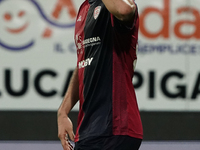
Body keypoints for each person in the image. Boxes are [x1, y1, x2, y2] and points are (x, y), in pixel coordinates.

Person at [57, 0, 143, 149]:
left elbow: (124, 10)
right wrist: (63, 111)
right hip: (89, 129)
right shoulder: (85, 8)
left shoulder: (114, 5)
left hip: (115, 128)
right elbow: (84, 62)